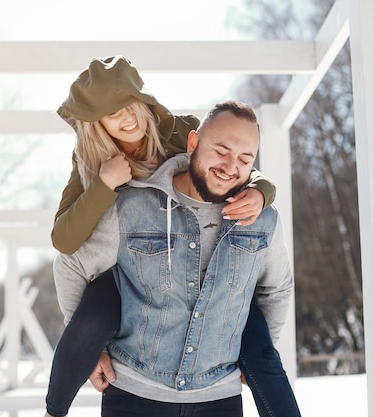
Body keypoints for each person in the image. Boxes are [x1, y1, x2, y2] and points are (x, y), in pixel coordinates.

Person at [45, 56, 300, 417]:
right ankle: (53, 409)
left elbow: (233, 164)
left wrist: (261, 191)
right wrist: (103, 184)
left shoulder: (178, 131)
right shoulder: (91, 162)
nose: (128, 118)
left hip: (216, 381)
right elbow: (65, 245)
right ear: (96, 122)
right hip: (129, 266)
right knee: (93, 317)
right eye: (114, 113)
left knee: (257, 342)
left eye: (132, 106)